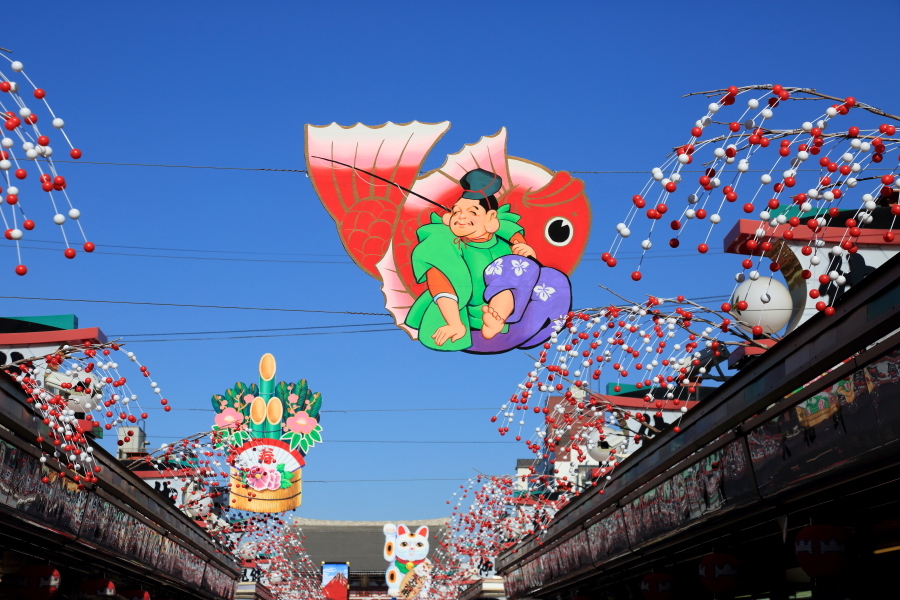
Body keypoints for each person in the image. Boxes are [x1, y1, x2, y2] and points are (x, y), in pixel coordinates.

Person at [405, 168, 571, 353]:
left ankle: (501, 314)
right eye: (456, 211)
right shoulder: (445, 246)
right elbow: (441, 286)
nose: (461, 216)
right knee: (513, 266)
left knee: (553, 278)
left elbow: (513, 238)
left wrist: (523, 248)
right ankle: (496, 315)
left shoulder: (503, 241)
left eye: (472, 212)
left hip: (517, 323)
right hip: (467, 326)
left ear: (491, 219)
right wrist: (454, 323)